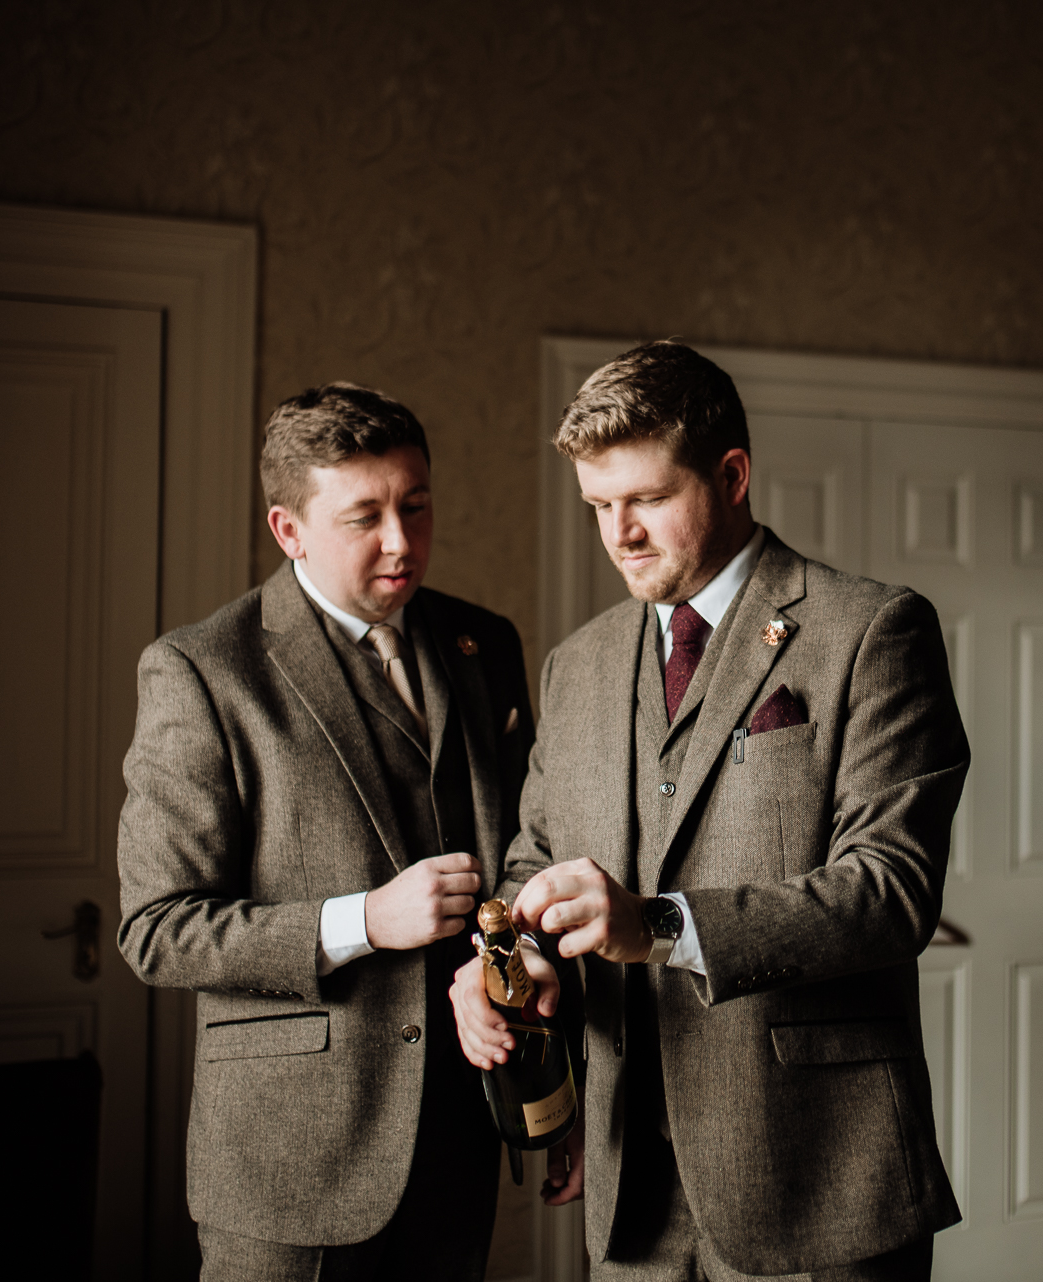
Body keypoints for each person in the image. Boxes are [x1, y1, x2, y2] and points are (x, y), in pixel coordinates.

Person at [450, 341, 968, 1282]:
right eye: (599, 507)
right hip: (629, 1192)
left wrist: (654, 926)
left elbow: (892, 892)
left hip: (820, 1182)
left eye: (646, 499)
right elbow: (536, 855)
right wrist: (511, 954)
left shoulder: (873, 632)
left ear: (732, 475)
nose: (620, 535)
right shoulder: (579, 665)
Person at [117, 383, 543, 1280]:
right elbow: (157, 931)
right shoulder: (204, 670)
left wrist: (553, 1092)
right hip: (290, 1166)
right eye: (366, 517)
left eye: (416, 506)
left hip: (462, 1137)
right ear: (289, 530)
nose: (402, 540)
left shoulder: (484, 643)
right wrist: (361, 921)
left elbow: (524, 858)